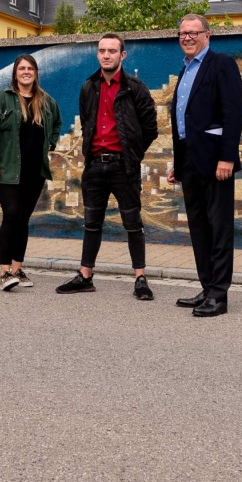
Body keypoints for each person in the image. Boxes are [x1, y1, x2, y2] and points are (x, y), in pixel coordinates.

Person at [56, 33, 159, 300]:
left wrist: (132, 155)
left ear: (122, 55)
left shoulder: (136, 88)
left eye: (112, 51)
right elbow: (87, 122)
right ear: (97, 54)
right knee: (92, 223)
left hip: (124, 167)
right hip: (94, 166)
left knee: (132, 223)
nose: (106, 55)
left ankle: (140, 278)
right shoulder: (88, 87)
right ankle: (85, 276)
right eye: (102, 50)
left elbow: (150, 129)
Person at [167, 14, 242, 317]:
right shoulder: (184, 70)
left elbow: (233, 114)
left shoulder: (221, 64)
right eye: (182, 33)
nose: (187, 37)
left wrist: (227, 157)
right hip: (189, 161)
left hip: (215, 162)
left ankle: (219, 296)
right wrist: (177, 162)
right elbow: (183, 122)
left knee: (219, 228)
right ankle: (207, 285)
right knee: (199, 228)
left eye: (193, 32)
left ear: (207, 35)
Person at [0, 54, 62, 291]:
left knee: (23, 218)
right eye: (21, 68)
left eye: (30, 68)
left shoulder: (46, 101)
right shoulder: (2, 99)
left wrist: (51, 143)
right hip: (7, 169)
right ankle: (4, 272)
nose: (26, 72)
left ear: (36, 72)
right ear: (15, 73)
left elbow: (57, 123)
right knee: (12, 213)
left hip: (34, 171)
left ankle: (18, 269)